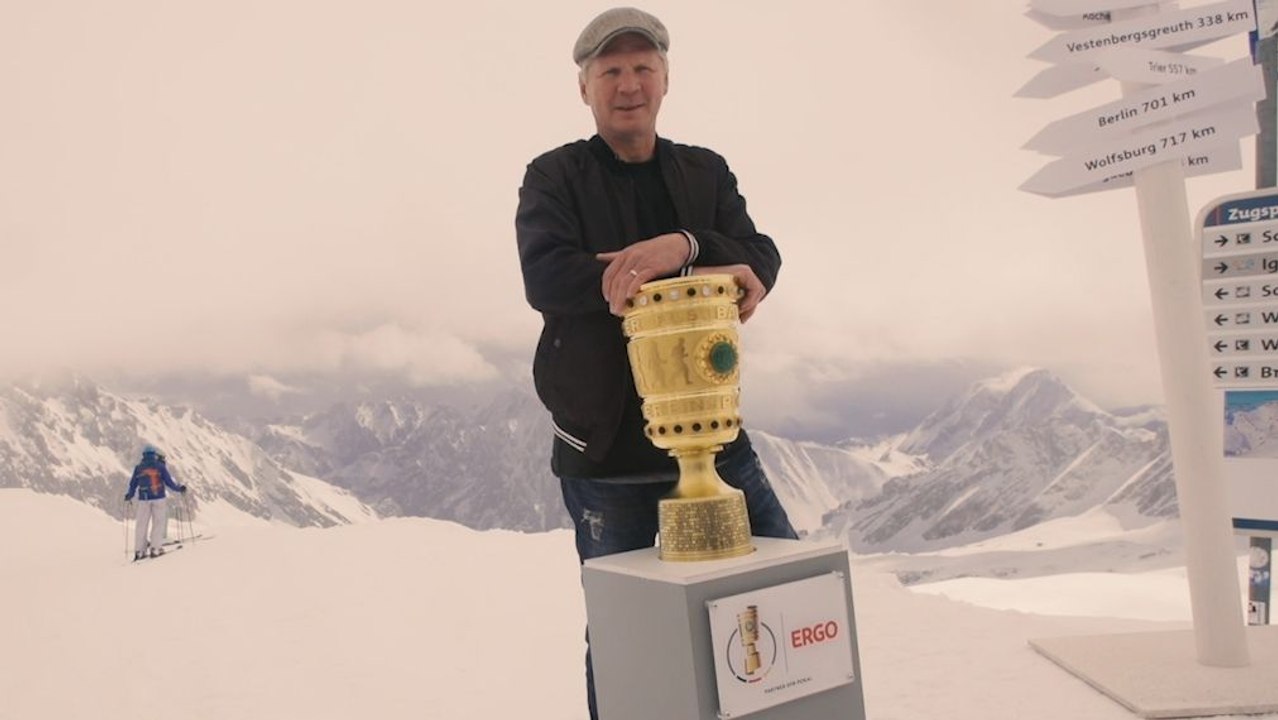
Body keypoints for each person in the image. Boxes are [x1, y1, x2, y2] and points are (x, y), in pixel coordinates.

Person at [514, 7, 797, 717]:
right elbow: (546, 277)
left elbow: (759, 253)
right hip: (607, 455)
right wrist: (650, 282)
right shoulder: (554, 176)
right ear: (585, 88)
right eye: (611, 71)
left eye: (642, 68)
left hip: (718, 438)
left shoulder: (704, 170)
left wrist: (681, 246)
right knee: (624, 633)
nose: (628, 84)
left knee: (782, 593)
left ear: (666, 80)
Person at [124, 444, 186, 561]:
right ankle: (155, 549)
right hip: (159, 498)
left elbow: (133, 484)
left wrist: (129, 495)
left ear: (143, 455)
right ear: (154, 454)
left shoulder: (138, 468)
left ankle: (139, 551)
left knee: (141, 525)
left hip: (144, 500)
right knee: (158, 523)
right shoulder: (160, 466)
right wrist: (180, 488)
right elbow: (169, 482)